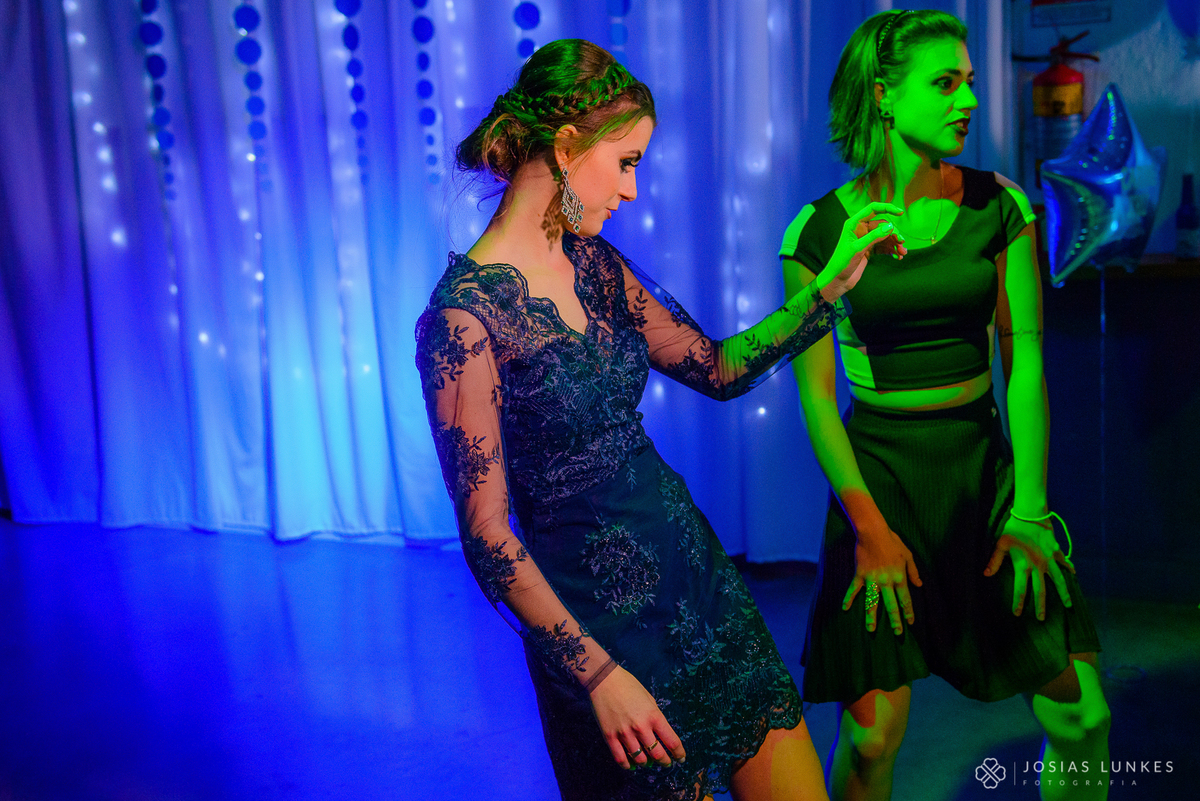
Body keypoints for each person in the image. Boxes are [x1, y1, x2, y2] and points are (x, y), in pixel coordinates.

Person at [415, 39, 902, 801]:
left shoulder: (597, 266)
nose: (633, 190)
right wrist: (599, 676)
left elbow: (716, 367)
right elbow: (487, 537)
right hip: (597, 633)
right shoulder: (464, 318)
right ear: (569, 145)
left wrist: (825, 292)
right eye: (628, 161)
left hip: (695, 579)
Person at [779, 10, 1111, 801]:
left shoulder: (1002, 207)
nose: (967, 99)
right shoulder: (818, 232)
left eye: (969, 80)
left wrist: (1028, 505)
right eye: (945, 82)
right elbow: (820, 402)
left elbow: (1023, 361)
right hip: (882, 479)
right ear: (885, 97)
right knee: (870, 736)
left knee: (1080, 712)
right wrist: (869, 530)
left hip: (982, 468)